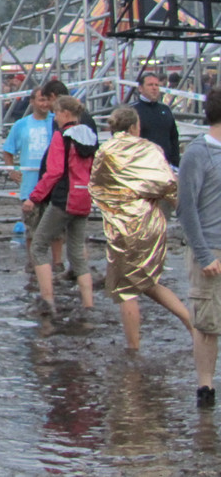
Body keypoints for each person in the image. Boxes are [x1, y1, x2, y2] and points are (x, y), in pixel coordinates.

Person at [89, 107, 191, 350]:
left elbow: (95, 187)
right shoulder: (150, 149)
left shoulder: (105, 152)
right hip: (150, 220)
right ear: (135, 126)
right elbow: (168, 185)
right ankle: (191, 321)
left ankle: (133, 347)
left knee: (127, 288)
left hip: (122, 224)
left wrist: (116, 202)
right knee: (146, 281)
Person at [23, 97, 98, 317]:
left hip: (64, 198)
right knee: (76, 253)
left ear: (65, 113)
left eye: (56, 113)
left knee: (38, 245)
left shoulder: (61, 137)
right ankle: (89, 305)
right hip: (84, 198)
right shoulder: (90, 137)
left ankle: (47, 301)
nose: (54, 118)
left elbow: (54, 172)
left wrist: (34, 198)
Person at [180, 88, 221, 408]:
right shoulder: (199, 153)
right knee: (207, 324)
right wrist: (205, 254)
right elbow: (186, 208)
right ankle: (205, 389)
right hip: (211, 252)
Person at [2, 88, 61, 267]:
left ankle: (58, 263)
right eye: (41, 100)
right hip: (30, 185)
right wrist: (11, 170)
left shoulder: (56, 122)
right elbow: (8, 150)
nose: (45, 104)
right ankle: (34, 264)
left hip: (54, 184)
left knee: (56, 229)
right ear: (32, 102)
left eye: (47, 100)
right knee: (32, 228)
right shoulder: (21, 125)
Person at [131, 72, 181, 168]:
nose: (154, 88)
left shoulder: (165, 110)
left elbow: (174, 137)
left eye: (156, 85)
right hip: (143, 166)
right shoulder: (132, 111)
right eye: (150, 85)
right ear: (140, 88)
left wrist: (175, 162)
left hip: (166, 166)